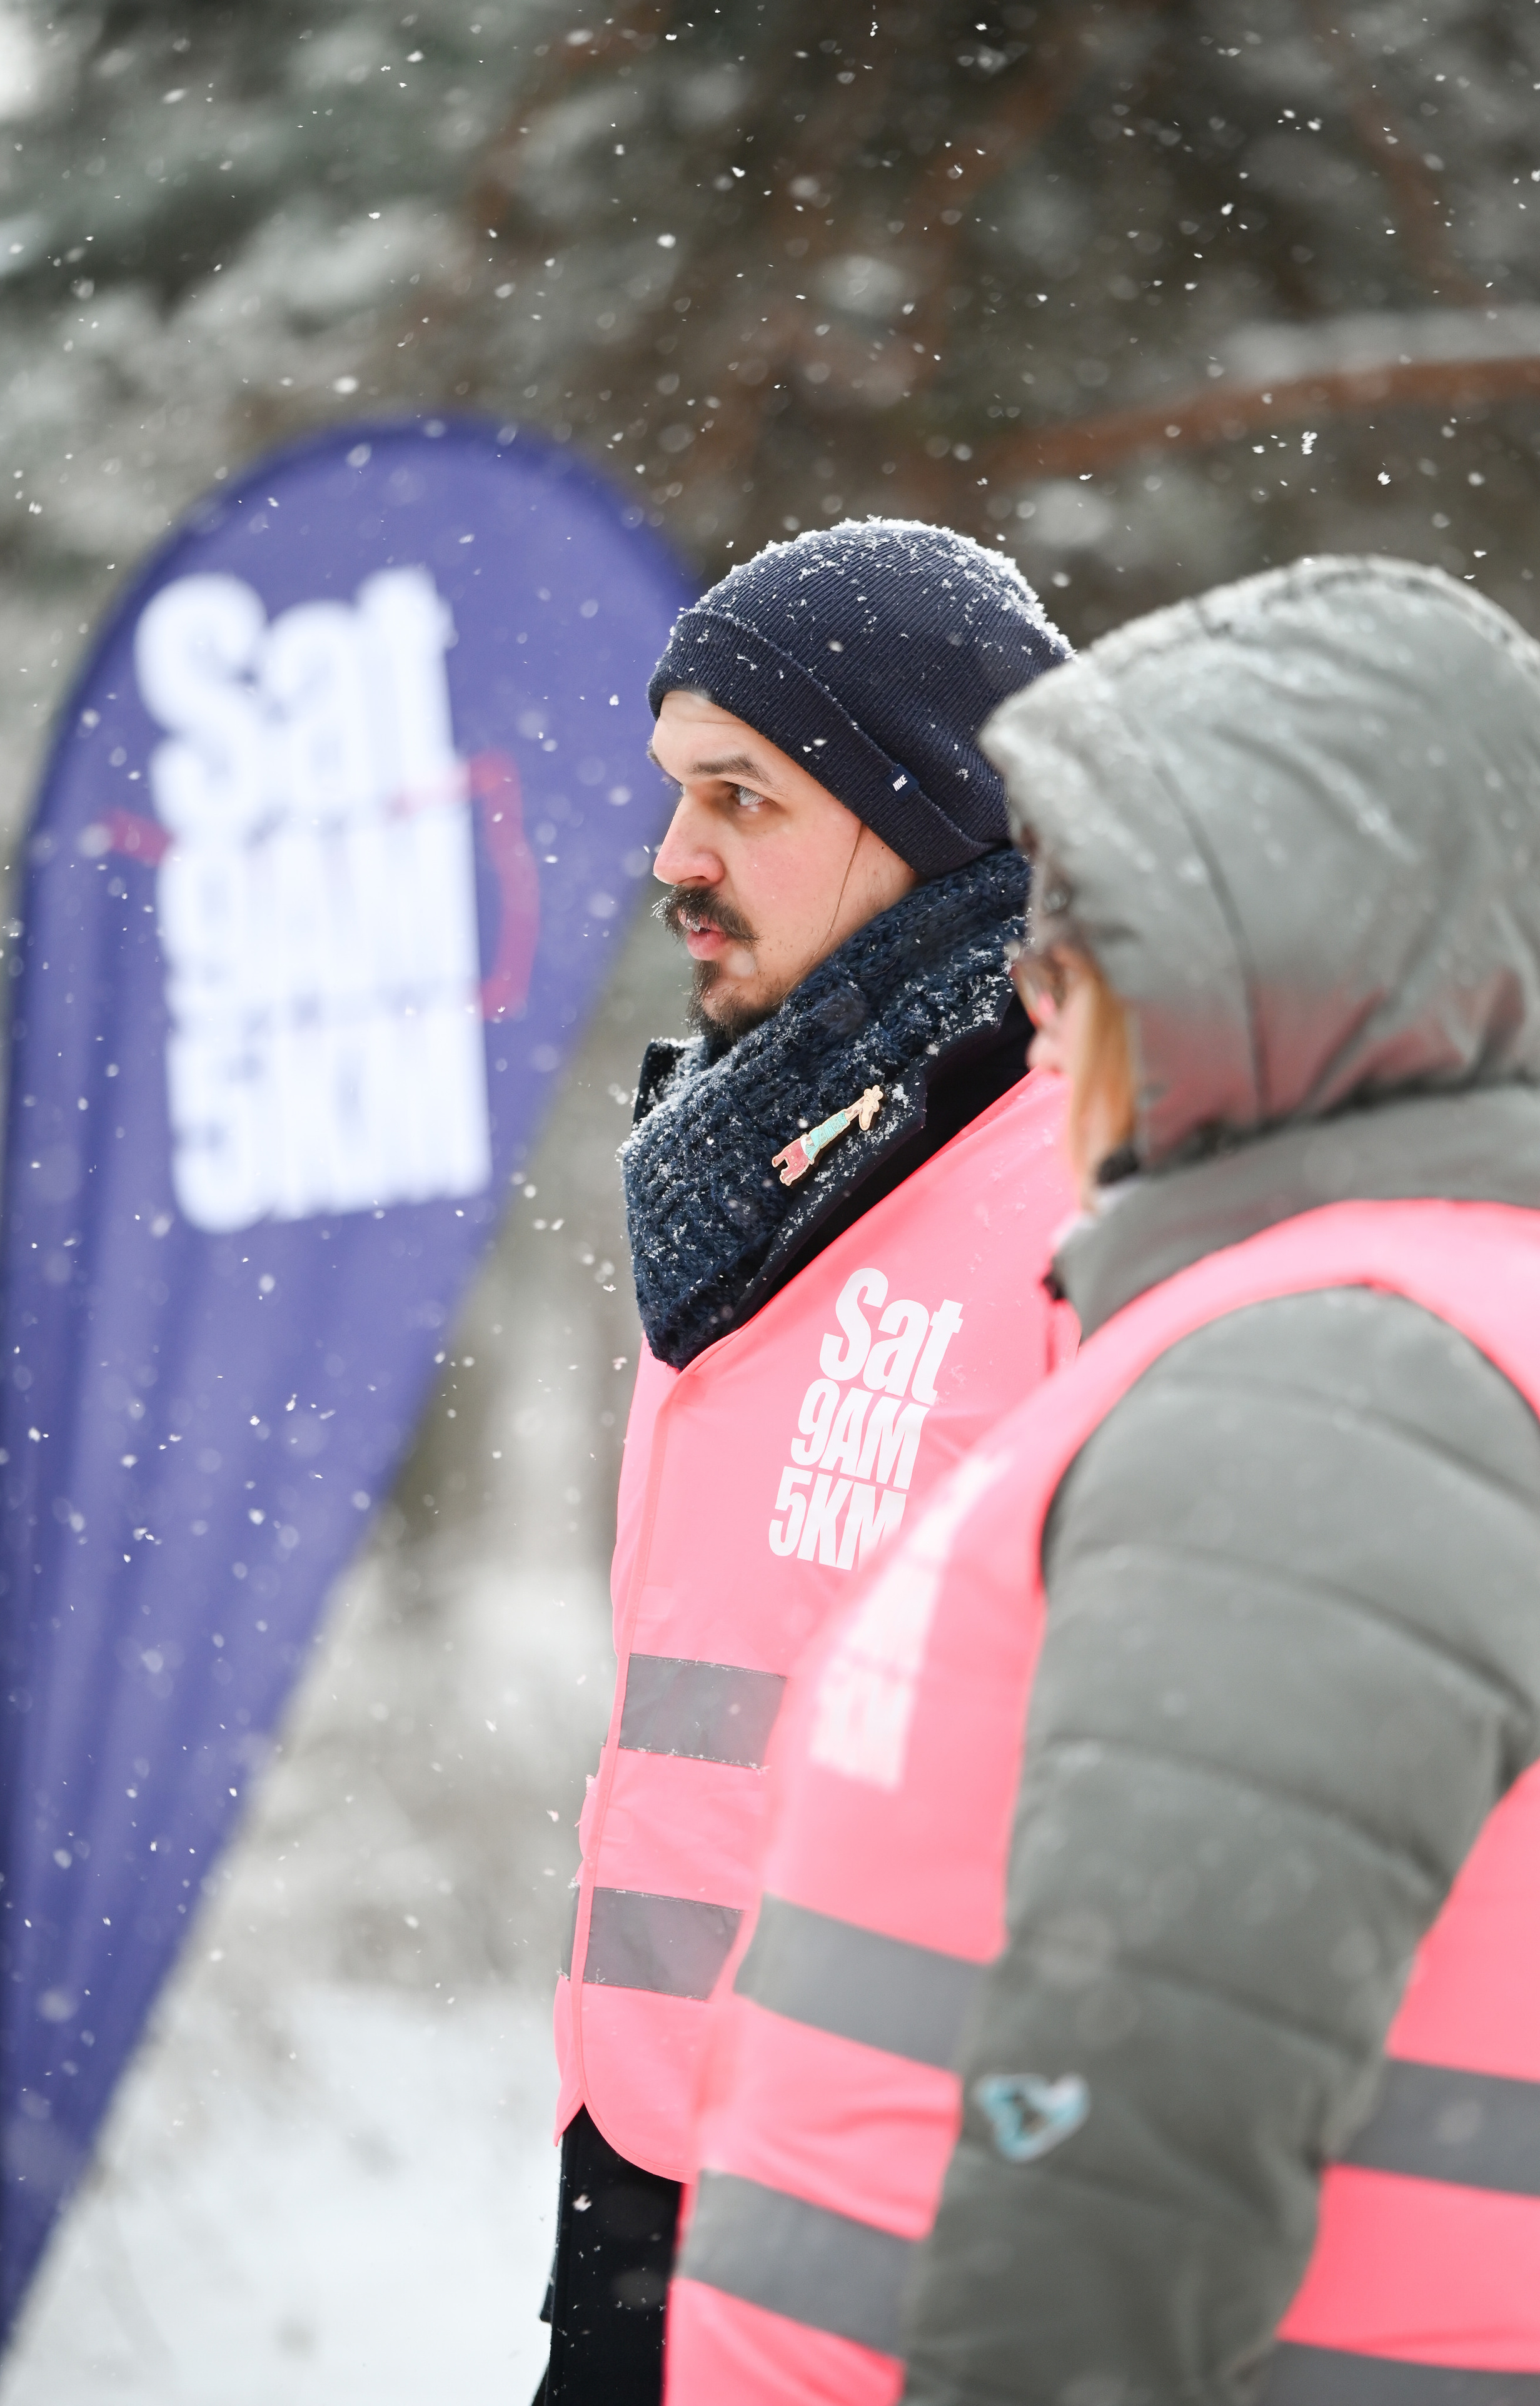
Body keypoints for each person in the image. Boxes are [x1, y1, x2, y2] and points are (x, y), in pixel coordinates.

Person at [667, 553, 1540, 2405]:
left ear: (1280, 957)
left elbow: (1137, 2145)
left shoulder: (1329, 1386)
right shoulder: (1354, 1322)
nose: (1032, 993)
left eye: (1092, 934)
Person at [536, 520, 1077, 2402]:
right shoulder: (778, 1185)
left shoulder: (1088, 1197)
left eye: (740, 799)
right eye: (676, 794)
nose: (675, 857)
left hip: (907, 2261)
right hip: (644, 2186)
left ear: (921, 815)